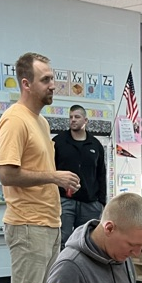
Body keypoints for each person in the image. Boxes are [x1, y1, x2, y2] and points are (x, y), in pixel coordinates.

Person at [0, 52, 81, 283]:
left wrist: (58, 181)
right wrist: (54, 177)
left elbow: (37, 168)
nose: (52, 85)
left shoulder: (41, 122)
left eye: (52, 79)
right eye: (45, 80)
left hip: (49, 223)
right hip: (28, 225)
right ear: (26, 84)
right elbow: (7, 174)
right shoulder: (15, 120)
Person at [53, 104, 107, 247]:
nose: (73, 120)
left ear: (85, 120)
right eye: (70, 117)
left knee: (86, 241)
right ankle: (63, 269)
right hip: (64, 201)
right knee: (63, 240)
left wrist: (102, 202)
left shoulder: (95, 145)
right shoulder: (58, 142)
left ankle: (83, 269)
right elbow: (50, 170)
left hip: (90, 203)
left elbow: (101, 173)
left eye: (77, 117)